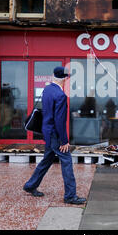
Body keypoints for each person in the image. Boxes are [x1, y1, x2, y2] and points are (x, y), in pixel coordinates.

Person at [23, 66, 86, 205]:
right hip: (55, 134)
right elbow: (59, 120)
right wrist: (64, 140)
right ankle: (70, 196)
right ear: (64, 79)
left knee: (47, 160)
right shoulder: (61, 95)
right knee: (67, 161)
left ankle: (30, 185)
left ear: (53, 76)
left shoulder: (47, 89)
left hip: (46, 131)